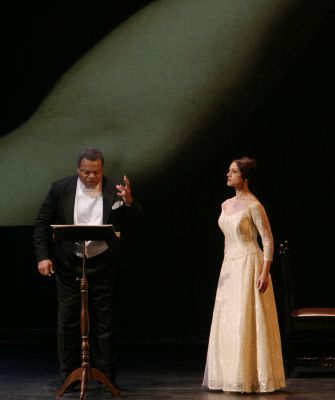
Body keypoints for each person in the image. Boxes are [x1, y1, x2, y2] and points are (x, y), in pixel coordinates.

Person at [33, 147, 141, 390]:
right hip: (69, 262)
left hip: (103, 261)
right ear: (77, 170)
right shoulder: (61, 188)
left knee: (105, 319)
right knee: (69, 318)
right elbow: (41, 222)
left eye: (96, 172)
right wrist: (43, 257)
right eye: (86, 172)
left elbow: (135, 219)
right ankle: (69, 374)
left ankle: (105, 374)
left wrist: (130, 202)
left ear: (102, 169)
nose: (92, 177)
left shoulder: (115, 189)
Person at [202, 156, 285, 393]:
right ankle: (229, 375)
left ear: (245, 178)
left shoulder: (254, 205)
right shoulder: (225, 205)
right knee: (228, 320)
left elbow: (267, 239)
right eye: (228, 171)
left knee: (245, 319)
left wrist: (265, 272)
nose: (228, 175)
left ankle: (250, 376)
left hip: (250, 264)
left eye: (233, 171)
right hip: (229, 266)